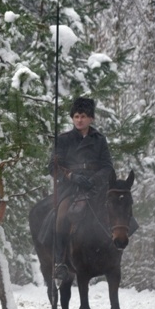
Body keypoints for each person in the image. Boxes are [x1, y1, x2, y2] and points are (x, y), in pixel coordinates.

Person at [43, 97, 113, 282]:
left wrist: (95, 179)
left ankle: (113, 256)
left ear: (91, 118)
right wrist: (72, 177)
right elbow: (53, 167)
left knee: (117, 209)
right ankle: (60, 262)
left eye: (83, 116)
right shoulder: (64, 139)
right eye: (76, 116)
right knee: (62, 214)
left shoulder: (99, 140)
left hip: (95, 187)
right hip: (70, 187)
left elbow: (107, 167)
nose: (79, 120)